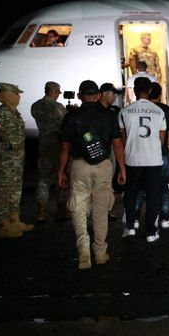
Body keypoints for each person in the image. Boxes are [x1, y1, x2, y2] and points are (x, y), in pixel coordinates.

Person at [58, 80, 126, 269]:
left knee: (78, 209)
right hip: (103, 166)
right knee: (101, 210)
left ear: (79, 96)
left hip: (79, 166)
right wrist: (122, 168)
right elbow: (117, 144)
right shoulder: (109, 116)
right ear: (97, 96)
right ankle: (101, 253)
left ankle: (83, 253)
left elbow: (65, 147)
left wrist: (61, 171)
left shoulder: (71, 118)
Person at [0, 83, 33, 239]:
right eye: (16, 93)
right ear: (6, 95)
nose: (19, 96)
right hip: (5, 160)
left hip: (16, 160)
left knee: (15, 190)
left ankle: (14, 220)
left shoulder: (14, 112)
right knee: (3, 190)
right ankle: (4, 224)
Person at [119, 76, 167, 242]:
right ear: (150, 91)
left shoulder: (124, 111)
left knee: (131, 193)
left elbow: (123, 138)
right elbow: (162, 138)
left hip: (133, 159)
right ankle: (151, 232)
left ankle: (130, 226)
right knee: (153, 194)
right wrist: (152, 148)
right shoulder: (159, 111)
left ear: (134, 91)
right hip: (153, 159)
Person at [135, 82, 169, 228]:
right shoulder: (165, 110)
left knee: (140, 187)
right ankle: (164, 218)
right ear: (159, 94)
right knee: (162, 187)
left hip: (140, 155)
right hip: (161, 154)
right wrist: (165, 145)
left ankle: (134, 219)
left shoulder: (137, 109)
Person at [30, 81, 68, 222]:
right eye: (58, 92)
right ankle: (62, 210)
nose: (58, 95)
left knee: (44, 179)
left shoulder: (35, 106)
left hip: (44, 145)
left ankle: (41, 212)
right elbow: (65, 123)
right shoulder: (57, 107)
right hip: (58, 147)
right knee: (61, 176)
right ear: (53, 91)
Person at [99, 82, 124, 220]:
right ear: (104, 94)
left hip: (110, 151)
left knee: (107, 182)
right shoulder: (95, 111)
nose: (115, 97)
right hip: (97, 152)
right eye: (113, 94)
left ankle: (105, 211)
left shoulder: (114, 110)